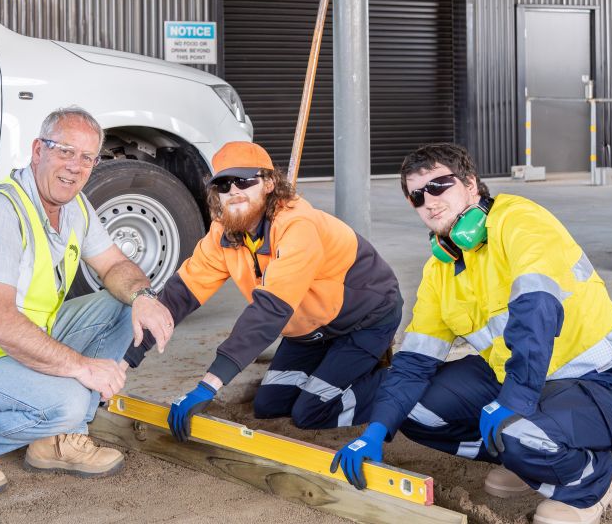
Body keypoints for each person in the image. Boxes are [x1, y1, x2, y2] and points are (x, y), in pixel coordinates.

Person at [331, 143, 612, 524]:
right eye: (417, 196)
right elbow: (413, 364)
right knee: (410, 407)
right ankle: (527, 459)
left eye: (439, 186)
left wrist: (515, 401)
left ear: (471, 184)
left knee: (517, 428)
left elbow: (536, 312)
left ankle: (591, 484)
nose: (429, 202)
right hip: (525, 380)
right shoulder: (442, 270)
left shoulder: (519, 221)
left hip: (601, 385)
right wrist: (376, 430)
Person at [0, 107, 174, 498]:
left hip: (16, 346)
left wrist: (144, 296)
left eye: (87, 157)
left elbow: (115, 264)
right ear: (38, 150)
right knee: (69, 400)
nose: (75, 166)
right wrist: (83, 368)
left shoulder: (75, 209)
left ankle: (56, 441)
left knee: (122, 306)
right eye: (65, 151)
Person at [122, 141, 403, 441]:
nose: (234, 191)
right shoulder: (224, 232)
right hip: (307, 331)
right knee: (270, 405)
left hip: (363, 320)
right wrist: (124, 362)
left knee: (311, 412)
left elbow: (269, 311)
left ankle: (401, 382)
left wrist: (208, 386)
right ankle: (341, 368)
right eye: (224, 184)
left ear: (269, 183)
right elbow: (179, 296)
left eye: (244, 181)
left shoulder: (297, 225)